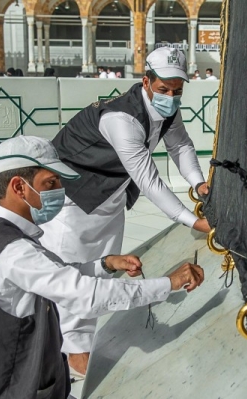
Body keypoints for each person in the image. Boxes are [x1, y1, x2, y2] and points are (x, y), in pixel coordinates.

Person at [0, 135, 205, 398]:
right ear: (19, 187)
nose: (60, 190)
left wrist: (104, 265)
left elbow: (55, 274)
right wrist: (169, 283)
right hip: (10, 389)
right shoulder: (14, 251)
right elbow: (86, 295)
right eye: (50, 182)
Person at [41, 46, 211, 375]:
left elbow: (181, 145)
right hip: (72, 203)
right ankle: (69, 352)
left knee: (100, 273)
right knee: (72, 275)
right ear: (146, 82)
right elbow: (148, 180)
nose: (171, 97)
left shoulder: (168, 110)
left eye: (178, 91)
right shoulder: (121, 120)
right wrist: (192, 220)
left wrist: (198, 183)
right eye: (164, 89)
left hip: (109, 200)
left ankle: (80, 345)